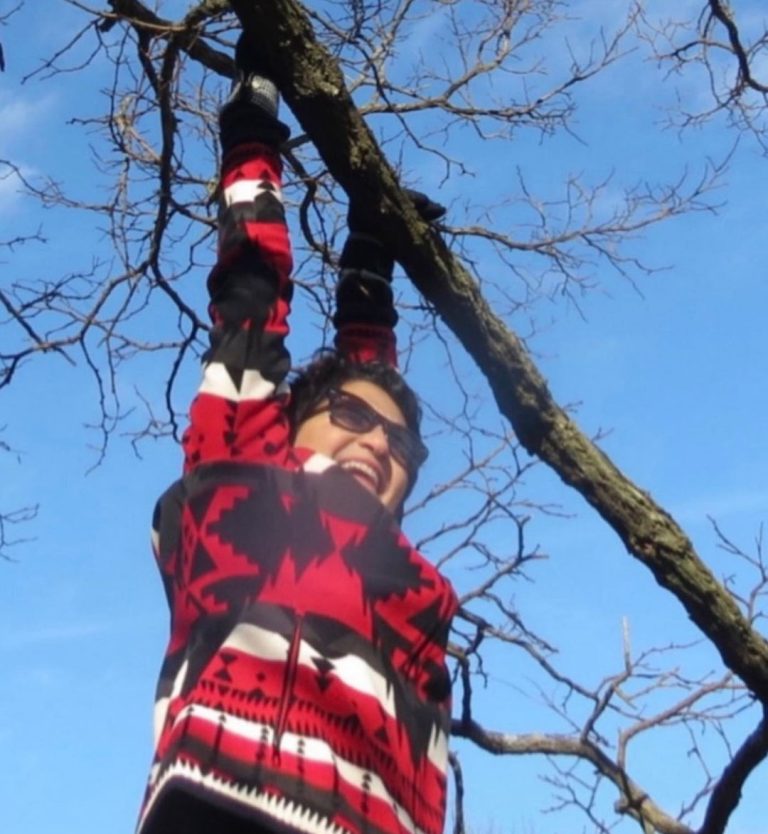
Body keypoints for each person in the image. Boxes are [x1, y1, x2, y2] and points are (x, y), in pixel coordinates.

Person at [136, 34, 457, 834]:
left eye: (401, 448)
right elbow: (251, 287)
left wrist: (371, 266)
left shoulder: (390, 572)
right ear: (283, 427)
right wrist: (254, 117)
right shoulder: (245, 490)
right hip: (231, 805)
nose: (379, 445)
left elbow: (368, 405)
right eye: (349, 421)